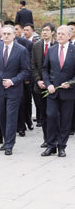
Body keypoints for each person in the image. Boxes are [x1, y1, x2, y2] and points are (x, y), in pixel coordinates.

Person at [0, 25, 30, 155]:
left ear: (14, 35)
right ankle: (6, 141)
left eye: (8, 34)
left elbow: (26, 71)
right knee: (1, 115)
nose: (5, 36)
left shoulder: (21, 50)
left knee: (11, 116)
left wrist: (13, 81)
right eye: (4, 33)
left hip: (14, 89)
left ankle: (10, 144)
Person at [41, 25, 75, 157]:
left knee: (66, 120)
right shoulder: (51, 50)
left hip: (68, 92)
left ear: (69, 36)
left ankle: (62, 146)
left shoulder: (74, 50)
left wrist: (71, 83)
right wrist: (48, 84)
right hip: (53, 91)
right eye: (58, 34)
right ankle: (51, 145)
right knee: (51, 116)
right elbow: (45, 69)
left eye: (62, 34)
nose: (59, 36)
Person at [32, 23, 56, 147]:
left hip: (54, 86)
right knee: (43, 114)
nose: (44, 32)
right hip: (39, 86)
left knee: (53, 114)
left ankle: (54, 138)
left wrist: (50, 83)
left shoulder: (57, 45)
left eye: (47, 30)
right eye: (43, 30)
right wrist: (38, 80)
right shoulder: (36, 46)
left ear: (52, 32)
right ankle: (46, 138)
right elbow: (33, 65)